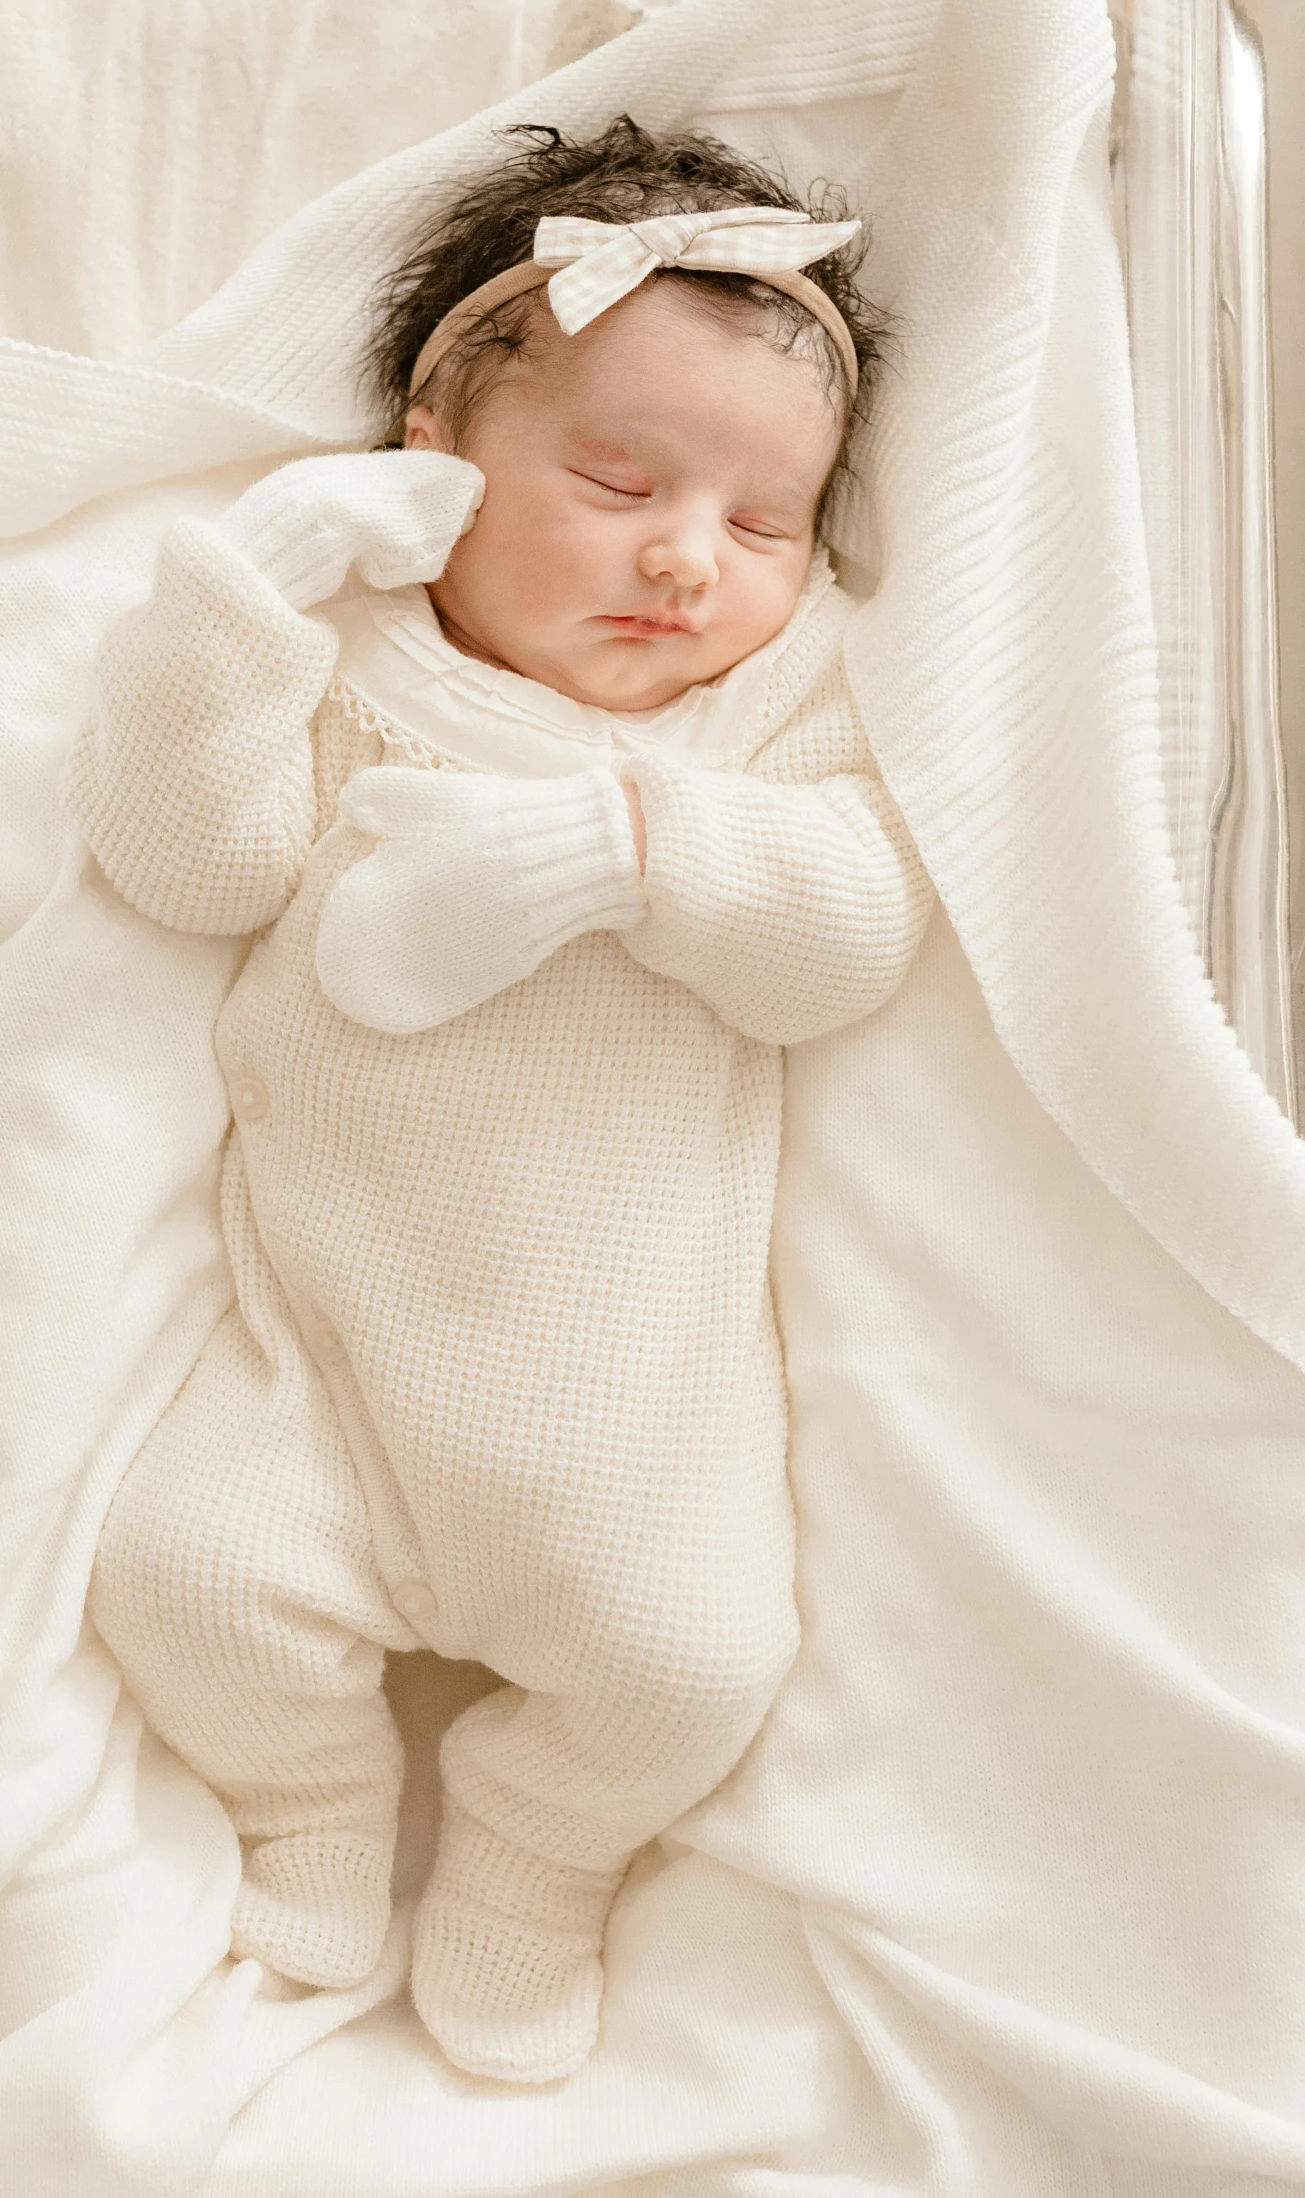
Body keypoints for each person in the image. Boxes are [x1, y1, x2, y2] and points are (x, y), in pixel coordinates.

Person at [67, 116, 932, 2084]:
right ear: (432, 456)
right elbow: (193, 864)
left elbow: (852, 934)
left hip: (626, 1420)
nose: (685, 552)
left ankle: (534, 1857)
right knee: (182, 1575)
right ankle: (312, 1807)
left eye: (763, 522)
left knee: (691, 1660)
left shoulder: (770, 713)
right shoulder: (359, 660)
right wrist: (251, 592)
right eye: (618, 475)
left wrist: (628, 852)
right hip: (326, 1372)